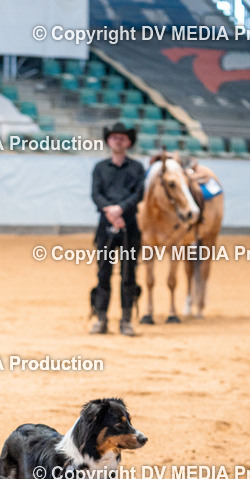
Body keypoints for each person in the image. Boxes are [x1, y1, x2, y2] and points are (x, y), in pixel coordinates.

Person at [90, 122, 144, 337]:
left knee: (129, 273)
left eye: (122, 137)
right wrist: (111, 212)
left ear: (129, 142)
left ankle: (126, 320)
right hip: (106, 226)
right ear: (108, 141)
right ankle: (101, 318)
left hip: (129, 226)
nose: (118, 140)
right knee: (103, 273)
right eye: (114, 137)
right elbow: (95, 194)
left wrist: (121, 209)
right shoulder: (100, 168)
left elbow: (139, 194)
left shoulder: (137, 168)